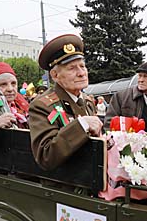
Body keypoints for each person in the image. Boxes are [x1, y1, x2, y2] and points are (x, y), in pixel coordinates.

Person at [29, 34, 103, 171]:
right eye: (72, 68)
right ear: (55, 75)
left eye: (82, 66)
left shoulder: (87, 101)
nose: (81, 73)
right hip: (63, 185)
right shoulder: (42, 106)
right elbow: (46, 156)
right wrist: (82, 125)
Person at [104, 62, 147, 144]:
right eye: (140, 76)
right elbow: (109, 124)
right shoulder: (121, 97)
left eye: (146, 76)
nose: (141, 80)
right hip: (130, 150)